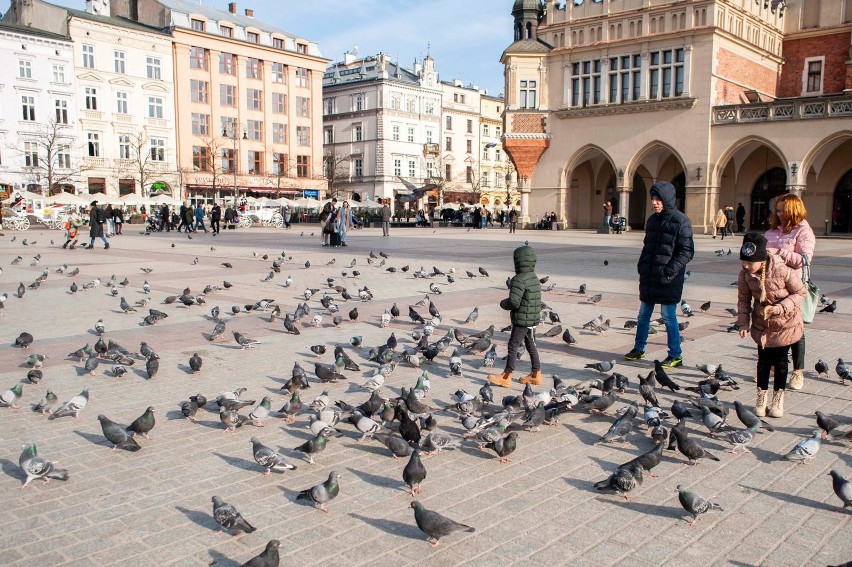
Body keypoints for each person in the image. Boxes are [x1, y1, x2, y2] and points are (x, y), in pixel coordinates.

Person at [625, 181, 694, 367]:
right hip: (649, 275)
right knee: (643, 314)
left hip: (668, 278)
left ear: (668, 200)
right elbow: (647, 247)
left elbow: (687, 251)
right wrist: (642, 265)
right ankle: (639, 348)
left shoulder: (681, 221)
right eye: (653, 198)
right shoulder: (652, 220)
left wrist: (669, 270)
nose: (655, 202)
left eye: (658, 199)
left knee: (668, 316)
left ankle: (675, 354)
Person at [737, 232, 805, 418]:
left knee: (781, 362)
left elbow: (800, 293)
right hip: (762, 325)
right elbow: (743, 300)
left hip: (785, 322)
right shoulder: (745, 275)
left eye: (750, 263)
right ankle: (761, 397)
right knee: (763, 362)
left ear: (761, 260)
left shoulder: (782, 270)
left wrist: (781, 308)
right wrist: (743, 323)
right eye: (743, 262)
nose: (746, 266)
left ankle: (778, 398)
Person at [763, 193, 815, 391]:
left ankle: (798, 371)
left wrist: (778, 252)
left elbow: (804, 259)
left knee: (796, 329)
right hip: (772, 286)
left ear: (793, 210)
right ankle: (775, 366)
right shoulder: (772, 231)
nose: (779, 213)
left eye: (783, 210)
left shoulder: (803, 230)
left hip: (794, 287)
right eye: (777, 210)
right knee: (774, 326)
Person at [487, 245, 542, 388]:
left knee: (513, 346)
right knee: (531, 345)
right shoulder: (534, 277)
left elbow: (514, 302)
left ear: (518, 261)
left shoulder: (518, 279)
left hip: (522, 320)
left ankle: (506, 376)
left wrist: (502, 303)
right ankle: (536, 375)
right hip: (533, 319)